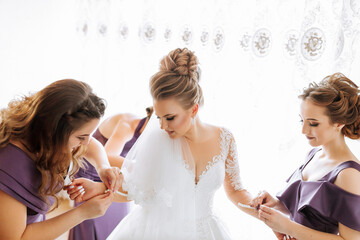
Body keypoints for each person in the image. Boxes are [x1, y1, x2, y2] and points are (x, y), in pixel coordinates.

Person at [69, 48, 259, 240]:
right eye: (158, 118)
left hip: (207, 232)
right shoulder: (160, 139)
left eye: (170, 118)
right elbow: (139, 190)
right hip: (157, 231)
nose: (162, 126)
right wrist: (99, 188)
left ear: (193, 109)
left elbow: (236, 191)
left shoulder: (224, 138)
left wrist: (264, 212)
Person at [0, 79, 122, 240]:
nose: (85, 142)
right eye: (81, 137)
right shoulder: (8, 166)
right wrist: (82, 213)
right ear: (54, 130)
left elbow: (90, 143)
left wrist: (103, 167)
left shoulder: (37, 136)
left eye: (88, 135)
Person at [251, 73, 360, 239]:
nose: (303, 130)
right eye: (301, 121)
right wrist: (276, 204)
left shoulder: (349, 174)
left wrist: (289, 227)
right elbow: (311, 212)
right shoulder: (313, 155)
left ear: (339, 123)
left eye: (313, 123)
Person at [68, 107, 152, 240]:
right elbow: (109, 155)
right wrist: (143, 168)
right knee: (92, 219)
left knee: (119, 220)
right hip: (93, 170)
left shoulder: (151, 137)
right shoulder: (126, 123)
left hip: (116, 175)